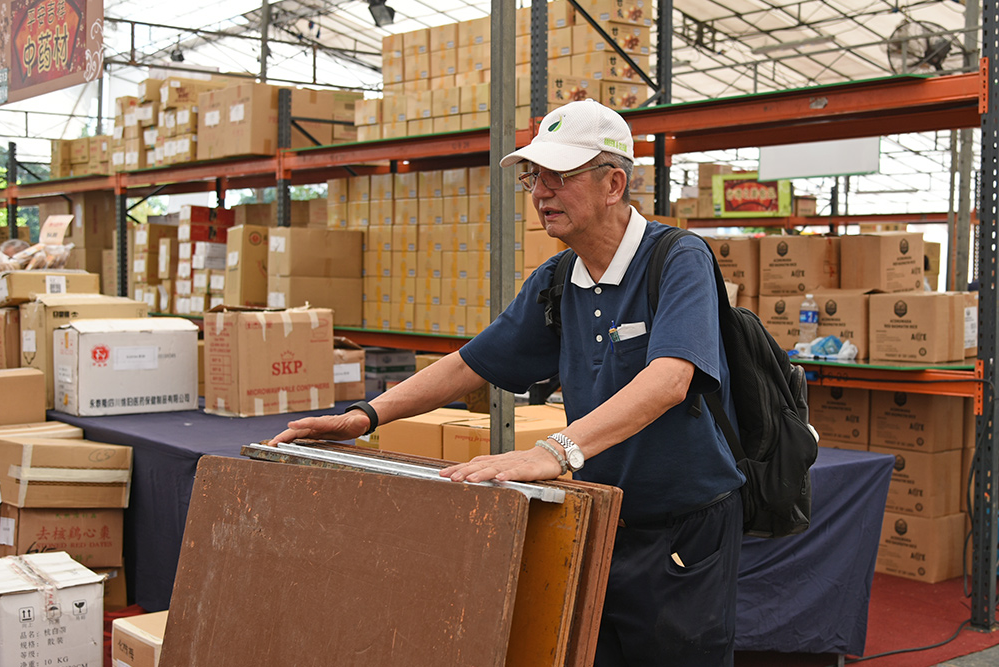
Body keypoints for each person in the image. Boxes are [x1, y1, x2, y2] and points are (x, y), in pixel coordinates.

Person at [271, 99, 746, 666]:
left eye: (558, 177)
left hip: (681, 530)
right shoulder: (556, 281)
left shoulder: (677, 259)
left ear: (613, 183)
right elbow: (471, 363)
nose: (540, 192)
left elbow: (670, 378)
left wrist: (557, 449)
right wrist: (365, 416)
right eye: (533, 177)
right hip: (598, 516)